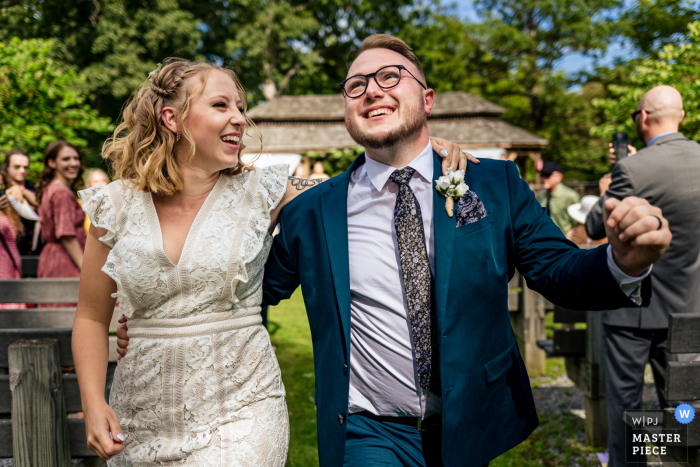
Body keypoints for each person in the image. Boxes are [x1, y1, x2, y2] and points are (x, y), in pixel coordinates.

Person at [120, 35, 671, 467]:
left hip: (472, 415)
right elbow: (249, 293)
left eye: (390, 76)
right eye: (355, 85)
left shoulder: (493, 184)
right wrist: (157, 317)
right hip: (368, 428)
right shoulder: (313, 212)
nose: (372, 90)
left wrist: (624, 260)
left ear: (426, 99)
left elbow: (557, 271)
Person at [72, 58, 471, 464]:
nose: (240, 119)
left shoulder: (269, 190)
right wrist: (93, 402)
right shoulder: (113, 207)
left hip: (242, 409)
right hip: (140, 413)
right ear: (171, 118)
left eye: (241, 108)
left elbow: (360, 185)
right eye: (221, 106)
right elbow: (90, 316)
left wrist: (427, 153)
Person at [585, 85, 700, 467]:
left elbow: (596, 225)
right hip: (690, 306)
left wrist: (608, 187)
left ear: (644, 117)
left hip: (632, 309)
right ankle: (680, 458)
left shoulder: (632, 168)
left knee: (626, 404)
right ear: (681, 115)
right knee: (684, 403)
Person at [35, 141, 87, 283]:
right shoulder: (61, 193)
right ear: (52, 163)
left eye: (76, 158)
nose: (74, 163)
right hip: (66, 262)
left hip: (51, 258)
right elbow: (66, 235)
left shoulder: (50, 189)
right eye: (66, 159)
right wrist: (85, 268)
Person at [0, 149, 41, 255]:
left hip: (35, 254)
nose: (22, 171)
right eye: (17, 167)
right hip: (8, 254)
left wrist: (21, 190)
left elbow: (42, 203)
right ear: (7, 167)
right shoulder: (2, 190)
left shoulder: (35, 189)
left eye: (25, 167)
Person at [0, 170, 26, 309]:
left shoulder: (7, 206)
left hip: (11, 269)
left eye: (1, 185)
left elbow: (36, 210)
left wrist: (19, 190)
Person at [536, 160, 581, 238]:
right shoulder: (541, 195)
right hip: (545, 240)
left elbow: (578, 223)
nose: (544, 178)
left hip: (565, 242)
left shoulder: (570, 196)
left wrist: (572, 235)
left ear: (559, 177)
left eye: (548, 175)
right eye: (542, 175)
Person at [83, 169, 110, 233]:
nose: (100, 184)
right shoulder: (81, 205)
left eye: (103, 180)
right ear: (89, 184)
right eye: (96, 181)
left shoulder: (113, 204)